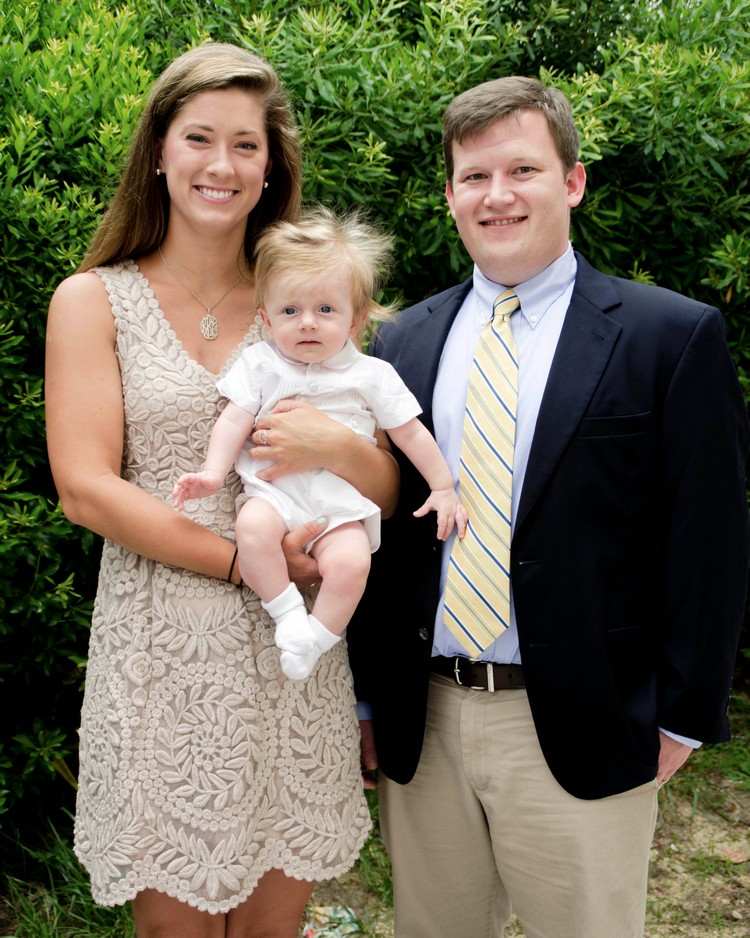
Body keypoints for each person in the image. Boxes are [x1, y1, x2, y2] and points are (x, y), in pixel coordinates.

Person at [349, 76, 749, 938]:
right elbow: (379, 535)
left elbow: (710, 543)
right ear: (450, 193)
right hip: (430, 717)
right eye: (473, 176)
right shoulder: (399, 342)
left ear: (571, 181)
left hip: (587, 719)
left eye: (522, 169)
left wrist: (685, 712)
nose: (497, 196)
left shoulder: (668, 336)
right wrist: (367, 701)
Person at [45, 43, 400, 938]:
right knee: (177, 931)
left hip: (296, 653)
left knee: (275, 928)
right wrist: (242, 563)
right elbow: (86, 490)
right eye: (199, 137)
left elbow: (387, 487)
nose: (222, 164)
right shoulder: (93, 300)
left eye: (247, 144)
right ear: (159, 151)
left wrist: (335, 449)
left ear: (272, 163)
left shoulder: (308, 299)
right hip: (162, 651)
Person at [173, 209, 465, 681]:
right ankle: (287, 613)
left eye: (326, 310)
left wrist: (443, 487)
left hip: (340, 505)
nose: (307, 323)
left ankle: (315, 639)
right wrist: (212, 472)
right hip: (273, 494)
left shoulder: (371, 375)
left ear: (355, 320)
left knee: (351, 564)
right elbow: (234, 418)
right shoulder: (262, 364)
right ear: (266, 318)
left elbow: (410, 432)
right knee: (251, 529)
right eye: (290, 311)